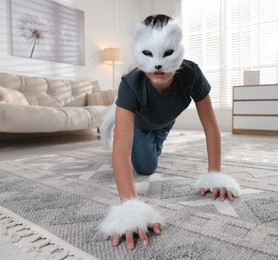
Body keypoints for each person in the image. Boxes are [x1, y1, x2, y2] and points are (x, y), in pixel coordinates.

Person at [98, 14, 240, 250]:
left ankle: (155, 140)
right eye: (148, 55)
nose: (158, 65)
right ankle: (145, 142)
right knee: (146, 167)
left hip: (166, 122)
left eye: (166, 54)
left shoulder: (192, 74)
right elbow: (121, 147)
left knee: (156, 143)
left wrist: (215, 173)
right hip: (139, 125)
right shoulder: (130, 85)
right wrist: (129, 208)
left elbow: (211, 126)